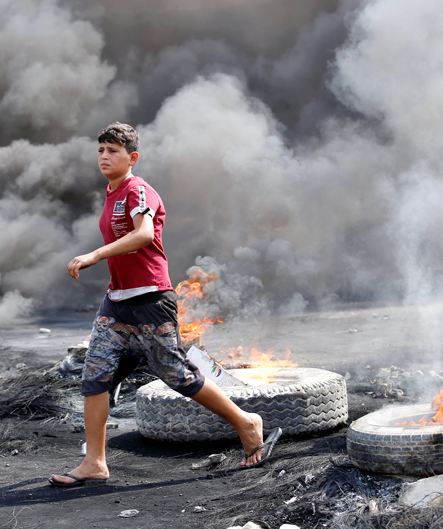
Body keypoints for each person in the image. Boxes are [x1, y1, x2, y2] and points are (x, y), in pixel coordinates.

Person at [49, 122, 281, 487]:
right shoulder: (111, 194)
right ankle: (95, 462)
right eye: (101, 150)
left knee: (176, 374)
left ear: (132, 157)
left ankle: (246, 421)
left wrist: (94, 254)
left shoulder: (138, 190)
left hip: (151, 301)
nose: (104, 156)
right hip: (117, 302)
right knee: (95, 374)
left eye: (113, 150)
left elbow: (142, 235)